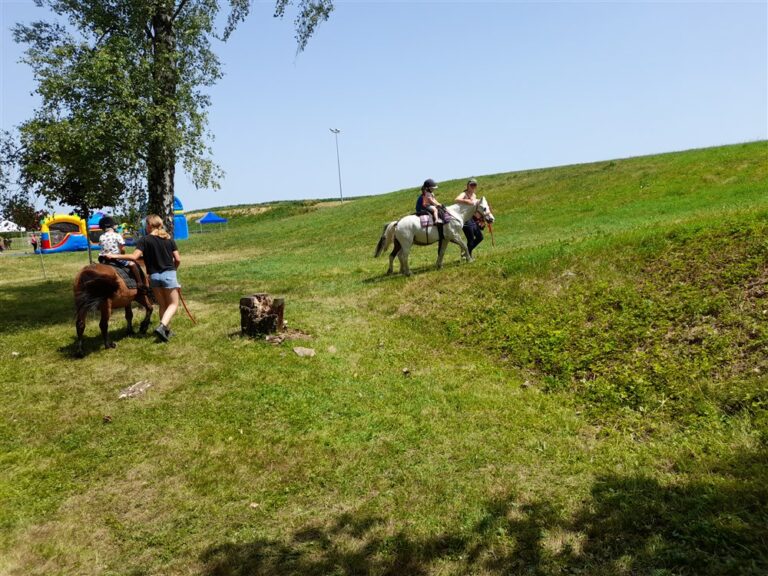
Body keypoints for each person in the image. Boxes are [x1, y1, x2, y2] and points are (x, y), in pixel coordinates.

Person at [105, 214, 181, 342]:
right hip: (169, 274)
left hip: (154, 277)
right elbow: (178, 259)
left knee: (162, 305)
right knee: (173, 304)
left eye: (146, 224)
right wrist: (173, 270)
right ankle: (162, 327)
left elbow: (134, 257)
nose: (145, 227)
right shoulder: (169, 239)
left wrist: (114, 256)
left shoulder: (144, 240)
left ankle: (166, 331)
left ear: (150, 225)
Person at [98, 216, 145, 290]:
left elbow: (102, 246)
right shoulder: (117, 235)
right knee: (132, 264)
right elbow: (123, 249)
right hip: (116, 257)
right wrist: (122, 255)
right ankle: (140, 282)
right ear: (112, 226)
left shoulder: (101, 236)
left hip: (103, 258)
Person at [457, 178, 484, 256]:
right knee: (471, 239)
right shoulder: (464, 194)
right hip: (465, 219)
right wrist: (466, 201)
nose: (473, 186)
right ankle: (469, 256)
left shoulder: (474, 195)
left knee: (480, 237)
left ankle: (466, 252)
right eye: (471, 185)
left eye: (474, 185)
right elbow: (456, 199)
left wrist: (480, 218)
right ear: (468, 185)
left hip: (472, 218)